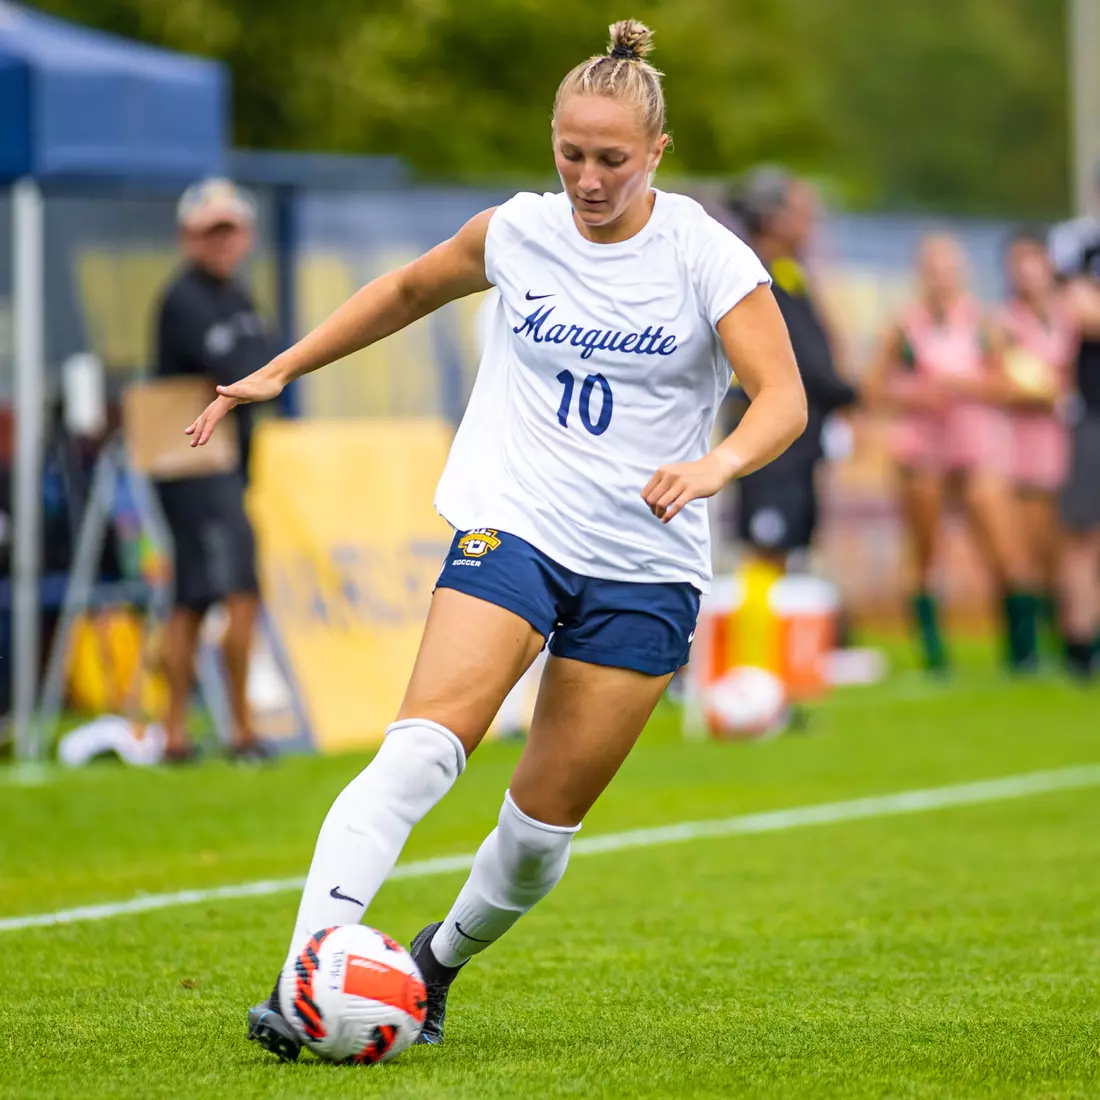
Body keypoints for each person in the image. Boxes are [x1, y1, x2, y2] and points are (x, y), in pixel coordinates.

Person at [187, 21, 806, 1060]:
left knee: (534, 839)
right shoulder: (516, 230)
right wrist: (282, 369)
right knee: (423, 747)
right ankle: (304, 978)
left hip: (644, 563)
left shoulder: (706, 254)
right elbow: (404, 290)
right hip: (513, 519)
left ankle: (430, 967)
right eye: (570, 152)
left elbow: (779, 397)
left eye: (610, 158)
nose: (587, 178)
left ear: (656, 150)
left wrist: (714, 465)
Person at [865, 233, 1037, 674]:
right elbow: (875, 388)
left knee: (1004, 549)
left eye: (949, 269)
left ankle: (1023, 652)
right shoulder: (903, 326)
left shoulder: (982, 324)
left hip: (974, 447)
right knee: (925, 552)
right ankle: (934, 655)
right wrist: (916, 395)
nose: (941, 278)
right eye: (932, 269)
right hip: (923, 451)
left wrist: (963, 386)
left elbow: (1006, 386)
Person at [152, 179, 274, 763]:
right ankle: (240, 731)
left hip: (224, 465)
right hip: (196, 466)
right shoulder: (185, 299)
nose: (223, 242)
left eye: (230, 229)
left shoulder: (237, 295)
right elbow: (240, 366)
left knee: (194, 597)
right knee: (236, 592)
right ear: (187, 238)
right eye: (210, 231)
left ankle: (176, 733)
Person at [724, 168, 858, 567]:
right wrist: (859, 394)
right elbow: (810, 366)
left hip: (795, 448)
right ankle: (754, 634)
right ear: (773, 217)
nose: (810, 224)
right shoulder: (756, 278)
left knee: (787, 558)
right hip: (771, 451)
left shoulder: (788, 274)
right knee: (766, 555)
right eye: (801, 213)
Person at [995, 229, 1078, 660]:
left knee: (1060, 542)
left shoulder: (1068, 316)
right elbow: (1008, 381)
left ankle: (1069, 635)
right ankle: (1023, 646)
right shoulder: (1005, 321)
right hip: (1021, 439)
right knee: (1021, 543)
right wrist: (1046, 392)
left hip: (1063, 439)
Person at [1048, 199, 1100, 678]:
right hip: (1092, 408)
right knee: (1081, 530)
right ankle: (1080, 644)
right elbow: (1081, 314)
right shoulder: (1079, 242)